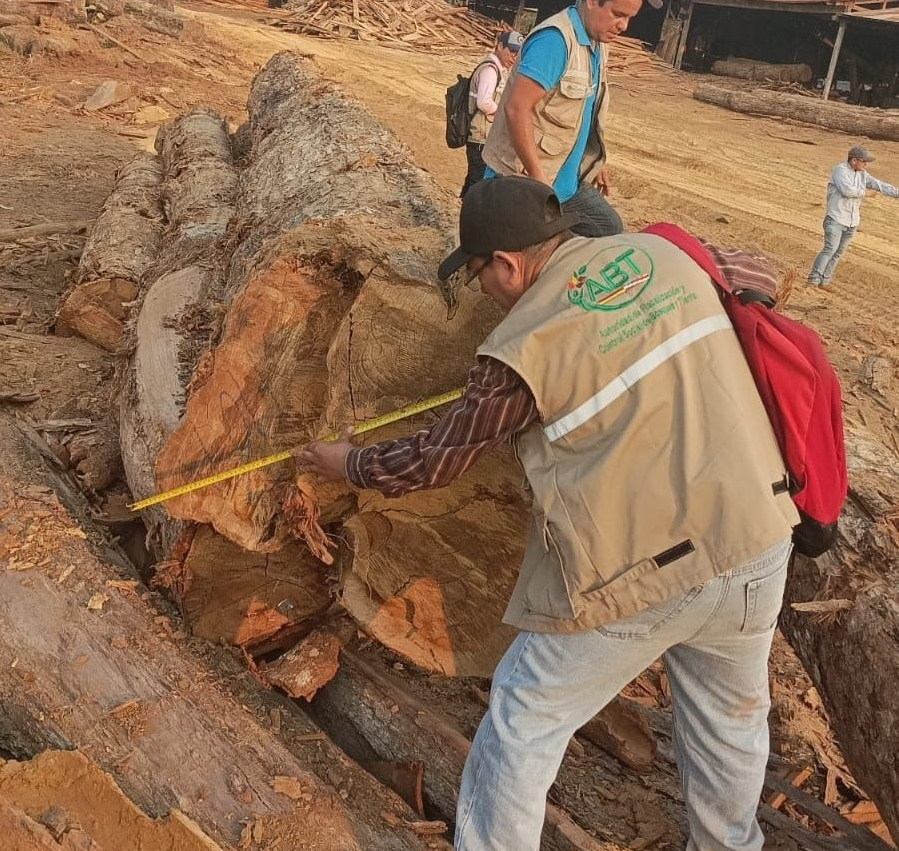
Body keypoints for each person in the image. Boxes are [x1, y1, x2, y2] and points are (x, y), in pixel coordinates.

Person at [295, 176, 798, 851]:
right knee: (729, 727)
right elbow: (757, 271)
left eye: (478, 276)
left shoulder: (524, 343)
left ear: (505, 262)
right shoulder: (669, 255)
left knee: (525, 714)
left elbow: (436, 461)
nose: (484, 294)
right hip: (756, 539)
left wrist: (345, 464)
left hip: (642, 569)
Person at [481, 0, 662, 238]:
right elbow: (516, 108)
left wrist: (591, 160)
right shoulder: (555, 42)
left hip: (564, 183)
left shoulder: (597, 43)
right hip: (525, 182)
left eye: (629, 17)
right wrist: (540, 184)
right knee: (514, 257)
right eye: (617, 14)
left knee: (607, 228)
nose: (623, 26)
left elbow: (582, 110)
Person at [808, 144, 898, 287]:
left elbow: (879, 185)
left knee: (838, 252)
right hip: (836, 218)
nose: (866, 164)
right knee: (830, 249)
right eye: (864, 161)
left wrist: (896, 193)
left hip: (852, 222)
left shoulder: (862, 174)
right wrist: (866, 193)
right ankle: (813, 280)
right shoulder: (840, 170)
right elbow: (847, 191)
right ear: (854, 160)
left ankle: (824, 281)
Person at [460, 30, 524, 198]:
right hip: (480, 135)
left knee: (474, 178)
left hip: (483, 134)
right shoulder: (490, 70)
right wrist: (503, 112)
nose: (513, 57)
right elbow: (484, 102)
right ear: (500, 46)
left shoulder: (498, 70)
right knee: (478, 181)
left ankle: (460, 207)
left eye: (517, 54)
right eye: (511, 52)